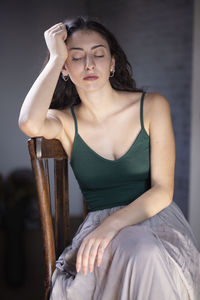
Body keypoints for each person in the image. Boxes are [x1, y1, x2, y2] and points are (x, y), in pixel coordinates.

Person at [18, 16, 200, 300]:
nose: (89, 64)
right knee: (136, 253)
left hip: (154, 219)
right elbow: (29, 122)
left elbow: (163, 191)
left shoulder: (152, 106)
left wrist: (112, 226)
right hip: (101, 232)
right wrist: (55, 57)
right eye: (75, 58)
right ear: (66, 69)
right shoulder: (66, 122)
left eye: (98, 54)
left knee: (146, 253)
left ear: (112, 63)